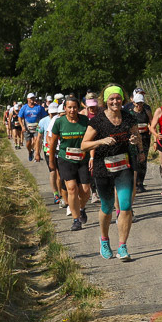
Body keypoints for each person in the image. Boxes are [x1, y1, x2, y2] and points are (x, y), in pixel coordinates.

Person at [81, 85, 145, 261]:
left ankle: (123, 247)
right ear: (106, 101)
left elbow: (136, 136)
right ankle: (104, 240)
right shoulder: (98, 121)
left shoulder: (129, 118)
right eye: (112, 99)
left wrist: (136, 143)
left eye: (118, 98)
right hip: (103, 168)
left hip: (124, 165)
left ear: (122, 99)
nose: (115, 101)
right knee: (107, 207)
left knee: (125, 206)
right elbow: (84, 145)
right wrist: (100, 141)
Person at [50, 97, 91, 231]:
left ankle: (82, 208)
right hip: (65, 159)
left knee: (85, 190)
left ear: (78, 108)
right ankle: (76, 219)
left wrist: (93, 157)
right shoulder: (59, 122)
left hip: (83, 159)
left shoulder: (85, 121)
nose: (72, 110)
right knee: (72, 188)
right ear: (65, 108)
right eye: (69, 107)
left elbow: (91, 139)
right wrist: (51, 161)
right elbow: (53, 143)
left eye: (74, 107)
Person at [127, 91, 153, 192]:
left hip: (145, 138)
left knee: (143, 160)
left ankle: (141, 182)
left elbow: (151, 123)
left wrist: (153, 134)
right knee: (134, 160)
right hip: (134, 139)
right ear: (133, 103)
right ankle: (135, 182)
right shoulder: (130, 113)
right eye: (137, 103)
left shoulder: (146, 111)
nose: (139, 105)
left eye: (141, 103)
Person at [18, 93, 47, 162]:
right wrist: (22, 126)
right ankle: (30, 152)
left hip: (36, 127)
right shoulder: (24, 107)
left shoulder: (39, 107)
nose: (32, 100)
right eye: (31, 98)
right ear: (27, 99)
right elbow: (19, 117)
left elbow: (45, 116)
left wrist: (42, 125)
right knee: (28, 143)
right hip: (27, 128)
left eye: (33, 98)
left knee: (36, 140)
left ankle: (36, 153)